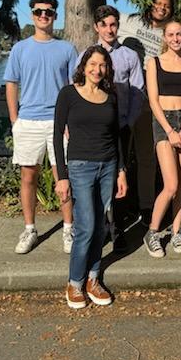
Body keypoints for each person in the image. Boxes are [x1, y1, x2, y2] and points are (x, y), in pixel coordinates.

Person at [53, 45, 128, 309]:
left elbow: (116, 136)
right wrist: (61, 177)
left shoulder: (110, 96)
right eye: (93, 64)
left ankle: (93, 279)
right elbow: (56, 135)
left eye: (103, 65)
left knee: (101, 226)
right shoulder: (68, 95)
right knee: (85, 226)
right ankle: (74, 282)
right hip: (80, 167)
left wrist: (121, 170)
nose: (98, 70)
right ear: (84, 66)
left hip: (108, 165)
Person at [5, 0, 78, 255]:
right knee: (28, 177)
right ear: (32, 15)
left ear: (55, 15)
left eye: (48, 11)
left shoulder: (67, 49)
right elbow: (11, 84)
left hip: (59, 124)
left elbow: (74, 88)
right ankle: (30, 229)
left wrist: (71, 120)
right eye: (38, 12)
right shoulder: (20, 49)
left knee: (64, 177)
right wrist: (15, 120)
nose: (43, 16)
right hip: (28, 121)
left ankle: (69, 228)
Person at [77, 5, 145, 249]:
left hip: (121, 126)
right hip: (94, 130)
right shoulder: (86, 56)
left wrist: (130, 120)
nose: (109, 29)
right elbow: (75, 88)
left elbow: (138, 91)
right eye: (104, 24)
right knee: (95, 178)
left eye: (113, 24)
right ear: (96, 27)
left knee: (120, 176)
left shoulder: (129, 56)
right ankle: (98, 228)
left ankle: (117, 230)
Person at [143, 19, 181, 257]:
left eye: (179, 34)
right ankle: (153, 231)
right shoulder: (154, 63)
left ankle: (177, 231)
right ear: (164, 37)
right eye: (171, 34)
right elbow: (153, 100)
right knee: (171, 184)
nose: (175, 38)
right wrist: (169, 130)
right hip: (164, 123)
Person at [118, 0, 176, 223]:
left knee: (146, 156)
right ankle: (118, 207)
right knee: (119, 155)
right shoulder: (128, 21)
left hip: (149, 102)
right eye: (158, 2)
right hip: (123, 98)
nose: (162, 7)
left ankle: (146, 206)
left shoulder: (169, 33)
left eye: (167, 5)